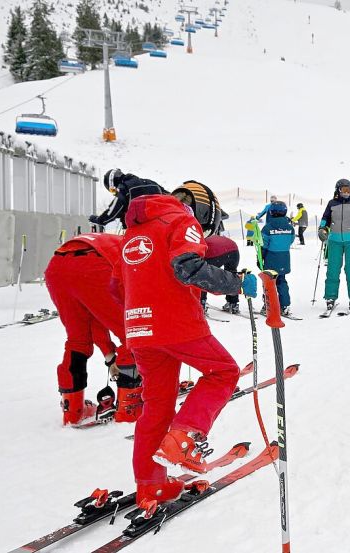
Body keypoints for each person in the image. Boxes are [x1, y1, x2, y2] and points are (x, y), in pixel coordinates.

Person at [113, 185, 257, 507]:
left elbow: (115, 285)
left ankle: (151, 486)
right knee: (223, 371)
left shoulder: (132, 233)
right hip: (176, 324)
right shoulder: (181, 221)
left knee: (157, 405)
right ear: (203, 210)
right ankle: (184, 439)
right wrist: (236, 284)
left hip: (139, 329)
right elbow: (187, 267)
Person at [44, 232, 142, 425]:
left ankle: (72, 410)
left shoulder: (121, 242)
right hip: (94, 265)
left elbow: (93, 317)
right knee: (133, 333)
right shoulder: (140, 254)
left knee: (78, 340)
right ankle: (129, 407)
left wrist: (110, 356)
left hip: (57, 267)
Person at [172, 189, 241, 314]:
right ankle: (233, 303)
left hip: (216, 252)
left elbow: (198, 272)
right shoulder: (204, 235)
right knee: (231, 272)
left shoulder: (194, 240)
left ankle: (201, 303)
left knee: (202, 275)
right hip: (233, 249)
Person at [318, 179, 350, 311]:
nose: (346, 192)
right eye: (344, 189)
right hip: (334, 240)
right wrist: (322, 229)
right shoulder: (331, 204)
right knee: (333, 269)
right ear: (338, 190)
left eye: (348, 189)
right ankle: (330, 297)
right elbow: (325, 219)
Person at [90, 169, 167, 228]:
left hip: (139, 230)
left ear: (114, 182)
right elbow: (171, 198)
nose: (115, 193)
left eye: (113, 190)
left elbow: (114, 209)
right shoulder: (151, 183)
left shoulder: (124, 187)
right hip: (162, 225)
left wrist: (99, 220)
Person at [261, 200, 296, 314]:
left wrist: (261, 257)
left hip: (271, 259)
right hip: (284, 259)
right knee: (282, 281)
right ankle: (285, 305)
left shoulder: (267, 228)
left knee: (269, 283)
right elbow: (290, 240)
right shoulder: (290, 228)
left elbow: (264, 245)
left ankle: (269, 305)